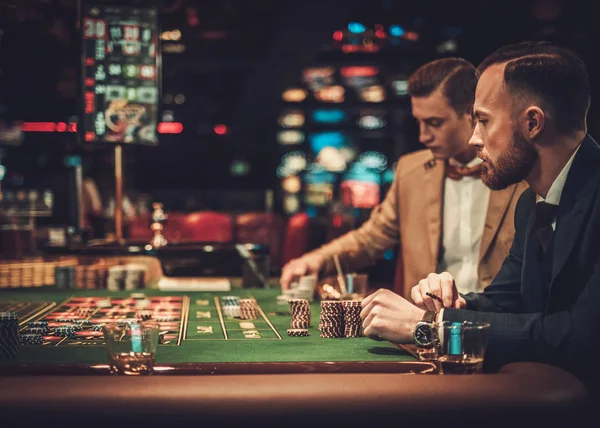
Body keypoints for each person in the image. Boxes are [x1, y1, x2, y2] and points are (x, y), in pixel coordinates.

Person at [360, 41, 599, 393]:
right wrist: (452, 302)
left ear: (533, 122)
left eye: (484, 121)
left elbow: (579, 337)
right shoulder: (531, 204)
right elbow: (507, 302)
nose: (474, 139)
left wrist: (427, 324)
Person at [280, 58, 527, 297]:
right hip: (423, 325)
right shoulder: (411, 170)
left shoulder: (516, 168)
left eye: (434, 123)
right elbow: (370, 239)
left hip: (495, 324)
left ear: (471, 115)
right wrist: (314, 259)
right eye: (419, 123)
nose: (423, 136)